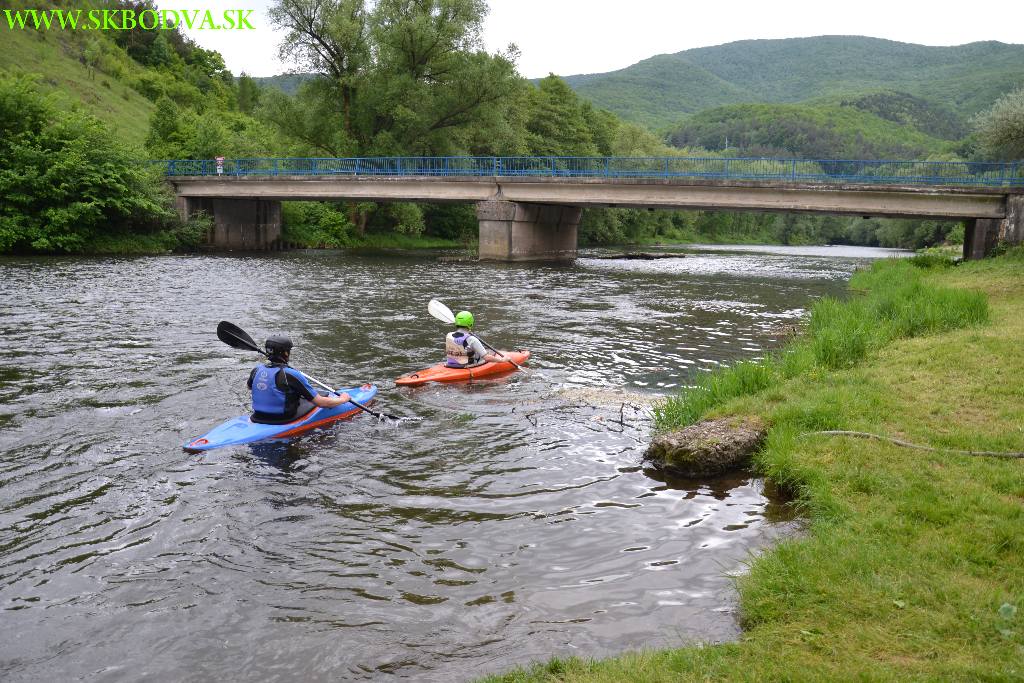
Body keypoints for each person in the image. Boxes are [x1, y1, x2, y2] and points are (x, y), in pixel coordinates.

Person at [247, 335, 351, 424]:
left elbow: (250, 387)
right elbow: (321, 403)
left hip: (257, 416)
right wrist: (343, 399)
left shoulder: (256, 370)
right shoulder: (291, 374)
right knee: (316, 397)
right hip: (282, 419)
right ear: (286, 353)